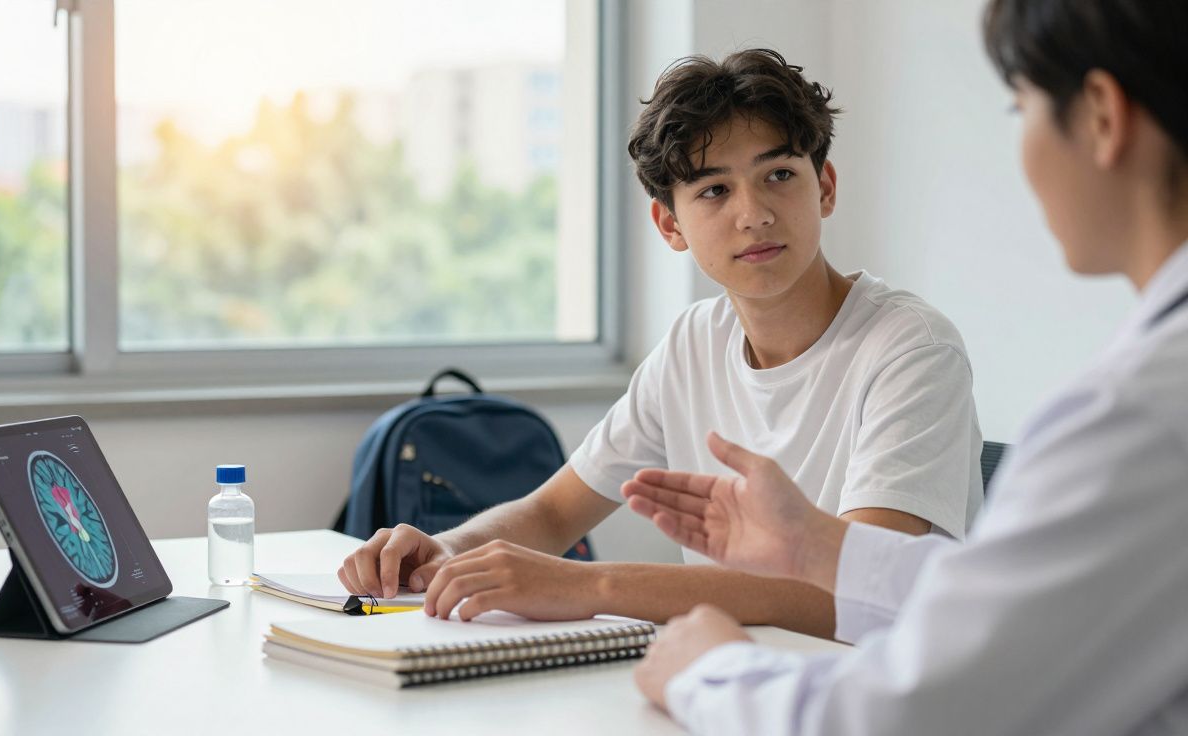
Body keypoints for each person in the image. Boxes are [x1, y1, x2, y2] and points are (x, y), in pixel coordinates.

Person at [620, 0, 1188, 732]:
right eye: (714, 190)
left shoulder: (1138, 417)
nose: (751, 213)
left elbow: (910, 714)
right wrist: (817, 545)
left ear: (1102, 117)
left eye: (1021, 108)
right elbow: (1003, 604)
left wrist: (707, 671)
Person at [338, 49, 983, 636]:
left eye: (780, 175)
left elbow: (870, 600)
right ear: (670, 225)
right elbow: (555, 511)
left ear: (826, 187)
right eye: (714, 190)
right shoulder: (693, 342)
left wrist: (593, 587)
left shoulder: (911, 349)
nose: (753, 212)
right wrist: (449, 550)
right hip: (739, 675)